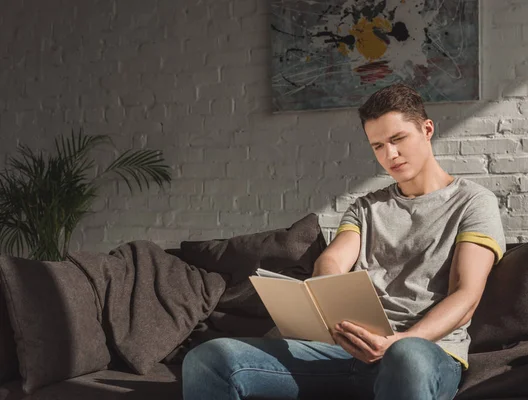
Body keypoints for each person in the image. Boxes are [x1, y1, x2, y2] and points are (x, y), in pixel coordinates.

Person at [181, 83, 506, 400]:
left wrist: (400, 340)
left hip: (425, 352)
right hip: (343, 352)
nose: (389, 154)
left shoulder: (473, 202)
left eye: (397, 139)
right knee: (209, 359)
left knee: (407, 356)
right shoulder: (365, 208)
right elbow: (332, 260)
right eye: (377, 146)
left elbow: (466, 296)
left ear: (427, 129)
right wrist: (326, 300)